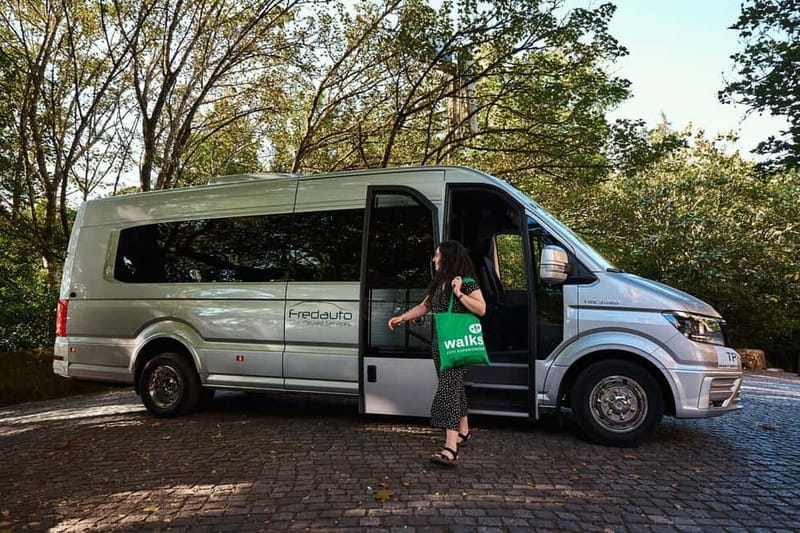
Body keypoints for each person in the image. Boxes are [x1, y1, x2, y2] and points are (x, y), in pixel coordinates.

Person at [388, 240, 486, 467]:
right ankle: (464, 431)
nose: (434, 259)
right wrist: (402, 318)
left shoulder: (466, 283)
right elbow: (424, 306)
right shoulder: (438, 284)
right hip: (440, 345)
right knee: (453, 386)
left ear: (448, 258)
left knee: (448, 390)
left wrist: (459, 293)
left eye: (437, 255)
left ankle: (451, 447)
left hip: (457, 344)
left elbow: (482, 308)